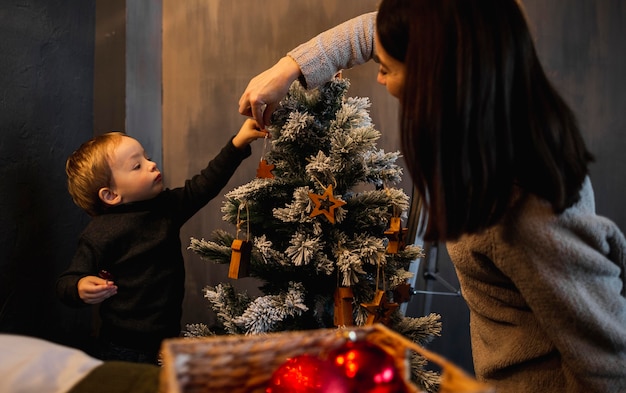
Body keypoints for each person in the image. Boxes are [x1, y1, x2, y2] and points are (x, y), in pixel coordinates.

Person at [238, 1, 626, 392]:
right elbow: (379, 31)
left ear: (435, 74)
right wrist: (289, 68)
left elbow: (610, 365)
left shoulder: (524, 210)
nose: (379, 79)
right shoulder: (488, 124)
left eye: (387, 68)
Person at [57, 119, 267, 365]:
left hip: (166, 341)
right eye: (137, 166)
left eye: (147, 157)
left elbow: (204, 185)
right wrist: (80, 286)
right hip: (122, 348)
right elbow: (66, 282)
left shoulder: (166, 208)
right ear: (111, 195)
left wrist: (238, 143)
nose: (151, 164)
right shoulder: (99, 234)